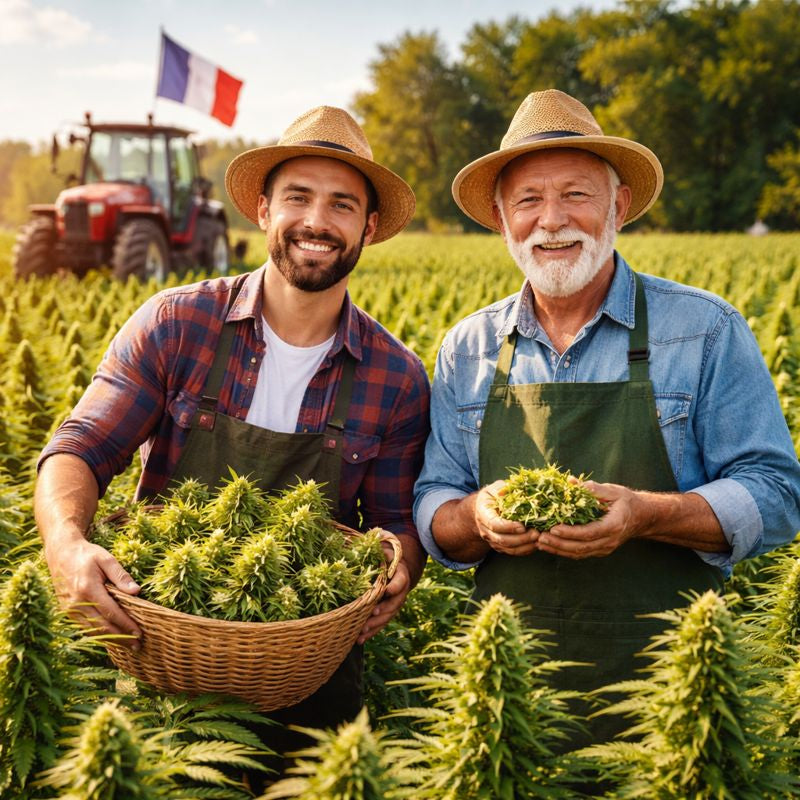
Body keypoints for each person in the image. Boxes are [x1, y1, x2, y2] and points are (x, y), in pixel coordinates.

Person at [36, 106, 430, 772]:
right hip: (166, 651)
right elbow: (82, 446)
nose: (316, 221)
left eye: (341, 205)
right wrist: (66, 544)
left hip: (313, 680)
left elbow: (396, 524)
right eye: (298, 198)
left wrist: (401, 568)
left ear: (366, 228)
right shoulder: (176, 323)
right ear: (262, 209)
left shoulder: (397, 377)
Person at [413, 89, 800, 744]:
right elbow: (435, 504)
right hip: (509, 700)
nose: (551, 220)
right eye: (528, 200)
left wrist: (647, 514)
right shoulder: (468, 348)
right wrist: (476, 515)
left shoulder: (703, 330)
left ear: (617, 205)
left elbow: (777, 494)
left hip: (669, 698)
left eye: (576, 195)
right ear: (504, 219)